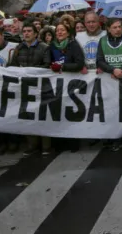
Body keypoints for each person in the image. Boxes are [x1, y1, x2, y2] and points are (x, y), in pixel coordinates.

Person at [10, 21, 52, 156]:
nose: (26, 34)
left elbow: (47, 65)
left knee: (42, 115)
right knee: (27, 116)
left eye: (29, 31)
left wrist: (29, 71)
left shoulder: (44, 48)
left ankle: (46, 145)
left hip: (41, 87)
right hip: (24, 87)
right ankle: (32, 145)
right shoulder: (18, 48)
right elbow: (12, 66)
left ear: (35, 34)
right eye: (25, 31)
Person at [96, 18, 122, 151]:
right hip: (110, 81)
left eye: (119, 26)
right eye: (114, 27)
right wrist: (112, 70)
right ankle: (115, 139)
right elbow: (99, 60)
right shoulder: (102, 41)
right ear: (108, 28)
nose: (118, 29)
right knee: (112, 112)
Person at [49, 23, 86, 152]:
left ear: (68, 33)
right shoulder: (52, 46)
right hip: (57, 85)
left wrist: (62, 67)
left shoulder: (73, 45)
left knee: (70, 113)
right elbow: (47, 62)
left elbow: (79, 64)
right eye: (57, 30)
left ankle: (73, 143)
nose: (59, 32)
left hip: (71, 85)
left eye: (62, 30)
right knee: (57, 113)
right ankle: (59, 143)